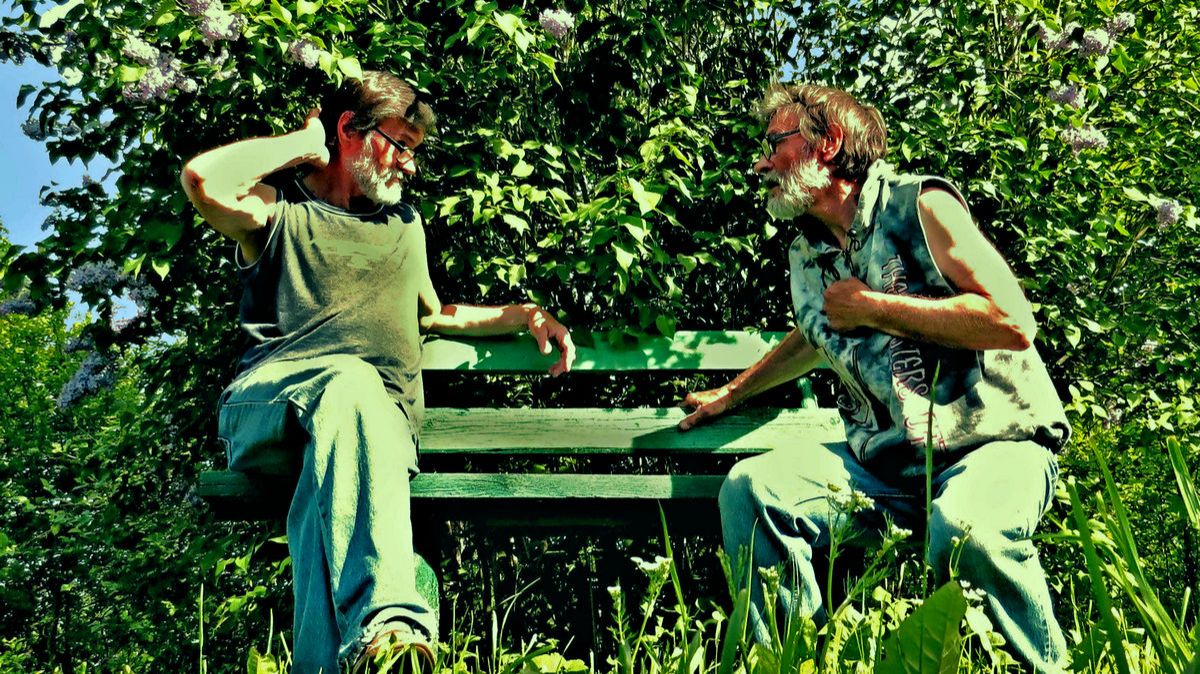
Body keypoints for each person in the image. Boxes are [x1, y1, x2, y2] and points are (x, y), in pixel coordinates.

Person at [181, 71, 575, 673]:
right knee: (350, 383)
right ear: (349, 130)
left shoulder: (404, 225)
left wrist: (526, 314)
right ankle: (390, 623)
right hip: (272, 410)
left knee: (329, 492)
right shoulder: (278, 206)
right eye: (401, 144)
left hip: (370, 435)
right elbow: (203, 179)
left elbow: (434, 312)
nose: (410, 165)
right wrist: (305, 143)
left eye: (416, 150)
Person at [679, 83, 1071, 672]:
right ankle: (792, 664)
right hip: (884, 469)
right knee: (751, 489)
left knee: (966, 528)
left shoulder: (920, 206)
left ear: (828, 142)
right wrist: (733, 393)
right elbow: (814, 335)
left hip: (994, 446)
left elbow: (1013, 321)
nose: (760, 163)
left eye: (775, 142)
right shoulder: (808, 253)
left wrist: (876, 308)